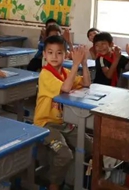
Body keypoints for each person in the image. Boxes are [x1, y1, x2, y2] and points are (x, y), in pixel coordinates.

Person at [34, 36, 92, 190]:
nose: (54, 56)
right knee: (64, 154)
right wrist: (75, 65)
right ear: (44, 55)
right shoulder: (45, 74)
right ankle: (54, 185)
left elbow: (86, 83)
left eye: (59, 53)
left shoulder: (66, 73)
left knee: (90, 147)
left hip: (65, 123)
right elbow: (65, 88)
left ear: (66, 55)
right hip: (46, 124)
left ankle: (71, 180)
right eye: (50, 52)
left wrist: (84, 63)